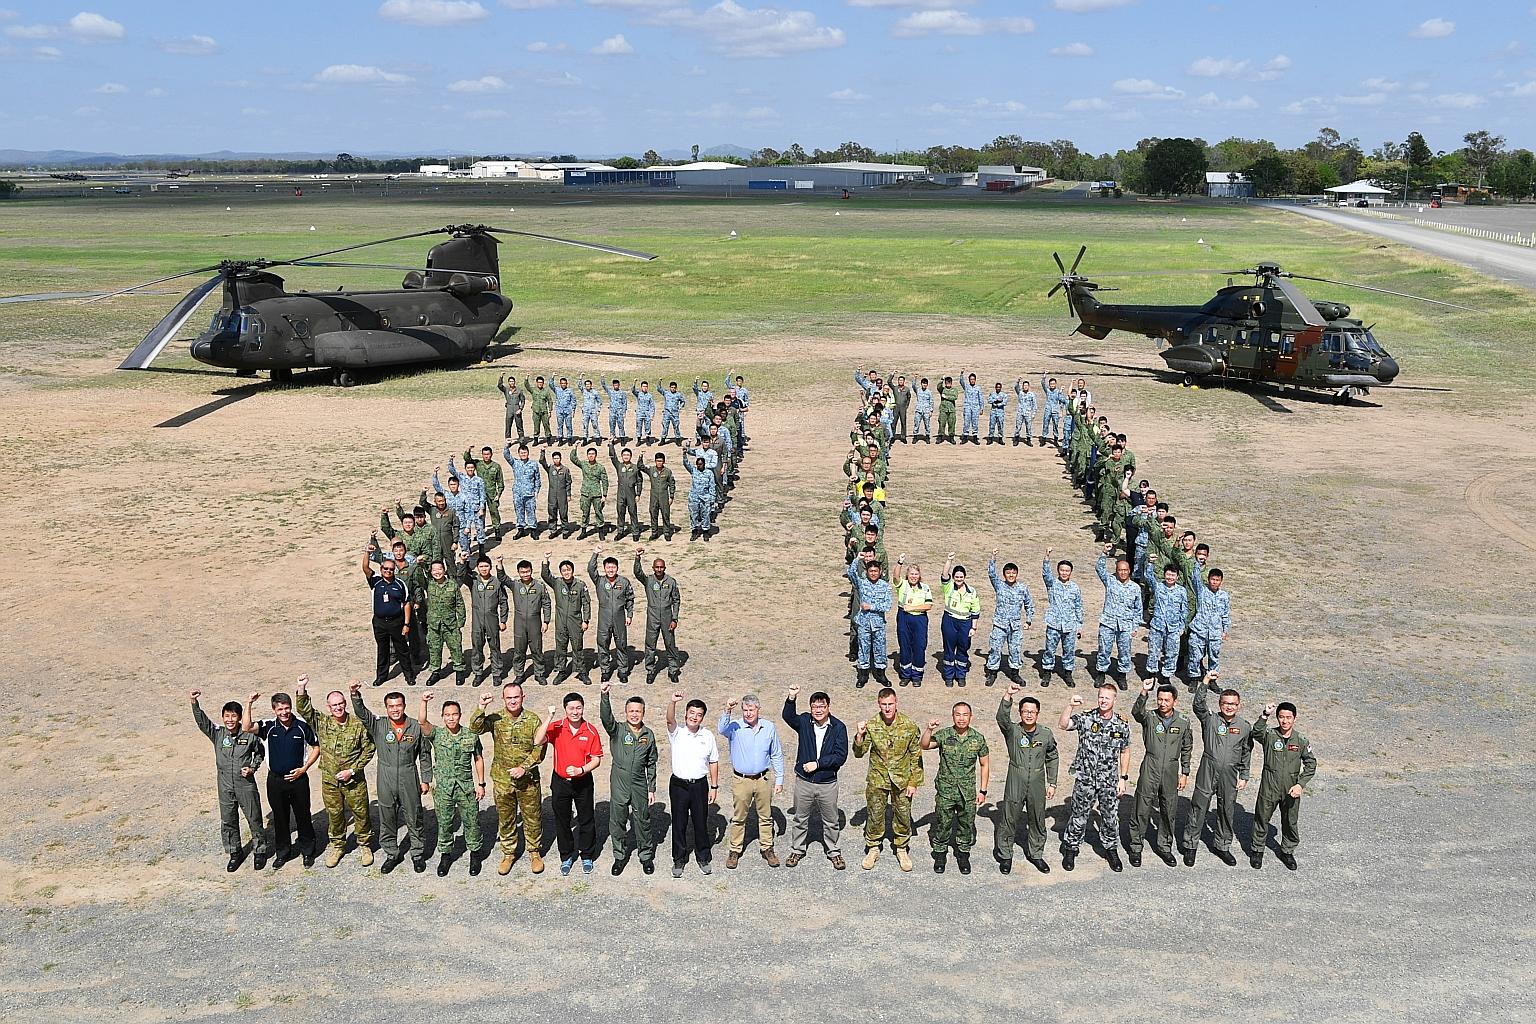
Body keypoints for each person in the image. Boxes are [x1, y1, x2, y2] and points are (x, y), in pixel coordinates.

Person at [350, 683, 431, 874]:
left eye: (398, 705)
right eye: (391, 706)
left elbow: (425, 754)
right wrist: (354, 694)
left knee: (414, 816)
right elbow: (362, 713)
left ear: (404, 706)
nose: (395, 709)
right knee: (387, 817)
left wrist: (425, 779)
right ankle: (391, 854)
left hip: (408, 774)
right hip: (385, 776)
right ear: (386, 708)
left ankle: (417, 854)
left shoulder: (415, 726)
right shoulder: (379, 725)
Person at [295, 675, 376, 868]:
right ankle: (338, 845)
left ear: (345, 704)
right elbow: (304, 709)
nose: (338, 708)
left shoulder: (358, 725)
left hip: (353, 781)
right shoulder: (322, 722)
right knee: (335, 814)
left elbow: (369, 749)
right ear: (328, 707)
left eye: (340, 704)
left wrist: (352, 770)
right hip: (330, 781)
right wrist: (301, 687)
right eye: (334, 705)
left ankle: (364, 845)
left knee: (361, 812)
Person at [469, 683, 546, 875]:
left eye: (516, 697)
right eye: (509, 697)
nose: (513, 701)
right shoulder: (497, 718)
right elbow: (475, 728)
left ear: (523, 697)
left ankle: (534, 852)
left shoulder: (533, 720)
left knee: (532, 817)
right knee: (506, 818)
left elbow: (540, 748)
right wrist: (481, 707)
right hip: (503, 780)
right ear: (503, 699)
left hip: (527, 780)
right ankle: (509, 853)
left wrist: (524, 767)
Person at [191, 690, 270, 872]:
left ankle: (260, 851)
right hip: (225, 784)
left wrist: (252, 767)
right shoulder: (219, 734)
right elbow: (203, 723)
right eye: (227, 716)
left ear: (240, 718)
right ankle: (235, 852)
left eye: (234, 716)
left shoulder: (249, 735)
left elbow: (260, 753)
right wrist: (194, 704)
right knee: (228, 820)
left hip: (245, 784)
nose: (230, 720)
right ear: (223, 717)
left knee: (254, 817)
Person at [1058, 684, 1132, 871]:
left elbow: (1125, 751)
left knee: (1109, 816)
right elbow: (1064, 724)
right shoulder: (1086, 718)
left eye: (1107, 698)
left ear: (1115, 700)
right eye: (1101, 697)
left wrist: (1123, 778)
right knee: (1079, 815)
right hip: (1086, 778)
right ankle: (1071, 847)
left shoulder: (1122, 724)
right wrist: (1070, 706)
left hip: (1109, 780)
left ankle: (1110, 848)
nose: (1103, 701)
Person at [244, 690, 319, 870]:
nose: (284, 712)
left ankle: (308, 851)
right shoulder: (269, 726)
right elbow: (246, 727)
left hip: (298, 779)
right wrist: (249, 703)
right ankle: (283, 852)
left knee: (303, 815)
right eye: (280, 709)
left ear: (291, 707)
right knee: (280, 817)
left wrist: (304, 768)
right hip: (276, 781)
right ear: (274, 710)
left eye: (287, 708)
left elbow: (316, 747)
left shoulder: (301, 726)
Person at [1182, 678, 1253, 866]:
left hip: (1230, 774)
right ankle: (1190, 846)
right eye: (1225, 703)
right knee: (1199, 806)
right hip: (1208, 768)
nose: (1229, 707)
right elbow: (1198, 704)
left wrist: (1244, 775)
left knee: (1227, 809)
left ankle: (1222, 846)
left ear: (1238, 705)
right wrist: (1205, 682)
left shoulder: (1245, 727)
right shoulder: (1211, 719)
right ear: (1220, 704)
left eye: (1233, 704)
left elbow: (1246, 752)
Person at [852, 687, 924, 871]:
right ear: (879, 704)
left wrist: (913, 782)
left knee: (902, 814)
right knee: (875, 815)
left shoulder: (909, 725)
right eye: (883, 704)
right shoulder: (872, 724)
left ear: (896, 703)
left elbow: (916, 755)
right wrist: (859, 735)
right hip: (878, 778)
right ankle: (873, 847)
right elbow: (859, 753)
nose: (887, 708)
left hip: (901, 779)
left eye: (890, 704)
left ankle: (901, 848)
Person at [535, 692, 605, 874]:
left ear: (583, 708)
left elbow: (597, 759)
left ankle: (587, 855)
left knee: (586, 819)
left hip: (583, 782)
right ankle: (566, 857)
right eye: (571, 708)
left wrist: (582, 769)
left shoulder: (590, 730)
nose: (575, 712)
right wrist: (549, 717)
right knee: (562, 820)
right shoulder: (557, 726)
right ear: (565, 709)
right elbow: (537, 740)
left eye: (578, 708)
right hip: (560, 782)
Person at [1126, 680, 1193, 868]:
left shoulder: (1183, 721)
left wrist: (1185, 772)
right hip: (1151, 765)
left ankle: (1164, 847)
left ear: (1175, 702)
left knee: (1169, 809)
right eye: (1160, 699)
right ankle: (1136, 847)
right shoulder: (1150, 717)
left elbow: (1187, 747)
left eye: (1167, 700)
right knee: (1142, 806)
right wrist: (1144, 692)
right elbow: (1136, 713)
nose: (1163, 703)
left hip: (1171, 769)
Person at [780, 685, 848, 869]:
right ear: (810, 708)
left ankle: (834, 852)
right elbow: (787, 716)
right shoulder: (804, 722)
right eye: (814, 707)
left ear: (828, 707)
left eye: (822, 706)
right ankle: (797, 850)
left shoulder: (838, 727)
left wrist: (818, 764)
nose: (818, 710)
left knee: (831, 821)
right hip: (804, 782)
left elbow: (841, 756)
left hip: (827, 783)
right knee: (800, 818)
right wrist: (791, 697)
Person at [418, 693, 486, 877]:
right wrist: (424, 701)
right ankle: (446, 856)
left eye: (454, 714)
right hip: (444, 789)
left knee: (472, 822)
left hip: (465, 787)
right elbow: (422, 722)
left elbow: (478, 759)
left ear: (460, 715)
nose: (451, 718)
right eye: (447, 715)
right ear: (442, 716)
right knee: (445, 823)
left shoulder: (471, 735)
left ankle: (475, 853)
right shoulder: (437, 734)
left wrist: (481, 784)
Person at [993, 687, 1058, 874]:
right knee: (1009, 817)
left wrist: (1052, 783)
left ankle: (1036, 854)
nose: (1029, 715)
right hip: (1016, 777)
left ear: (1037, 713)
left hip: (1037, 780)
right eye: (1025, 711)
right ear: (1020, 712)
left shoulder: (1045, 734)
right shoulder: (1013, 731)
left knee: (1037, 817)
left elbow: (1052, 757)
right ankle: (1005, 856)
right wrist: (1008, 695)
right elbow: (1001, 718)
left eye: (1032, 711)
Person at [921, 703, 990, 875]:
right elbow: (924, 745)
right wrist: (929, 730)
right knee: (943, 822)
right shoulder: (945, 735)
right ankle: (940, 853)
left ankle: (963, 853)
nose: (961, 718)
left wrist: (982, 791)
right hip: (946, 789)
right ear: (953, 716)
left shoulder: (978, 738)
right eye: (958, 715)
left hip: (967, 791)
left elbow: (985, 764)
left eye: (965, 715)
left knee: (966, 823)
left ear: (970, 716)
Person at [718, 695, 785, 869]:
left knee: (766, 817)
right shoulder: (735, 726)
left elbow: (776, 753)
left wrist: (780, 779)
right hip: (741, 780)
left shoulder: (769, 727)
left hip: (763, 779)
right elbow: (721, 729)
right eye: (745, 710)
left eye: (751, 710)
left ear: (758, 710)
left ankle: (767, 848)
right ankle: (734, 850)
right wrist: (727, 710)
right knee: (739, 817)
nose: (748, 713)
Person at [599, 683, 659, 875]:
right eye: (631, 711)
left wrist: (652, 788)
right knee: (617, 820)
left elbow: (651, 763)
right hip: (619, 781)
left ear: (643, 713)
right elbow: (606, 719)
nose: (635, 714)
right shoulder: (618, 730)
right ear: (626, 712)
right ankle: (619, 856)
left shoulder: (648, 735)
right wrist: (605, 697)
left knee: (642, 819)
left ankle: (646, 856)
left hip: (639, 783)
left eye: (638, 711)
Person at [1249, 700, 1317, 870]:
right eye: (1281, 717)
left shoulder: (1301, 740)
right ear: (1277, 718)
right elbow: (1256, 733)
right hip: (1269, 786)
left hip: (1290, 788)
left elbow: (1311, 763)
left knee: (1290, 821)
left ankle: (1287, 851)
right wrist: (1265, 715)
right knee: (1262, 818)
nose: (1285, 721)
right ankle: (1257, 850)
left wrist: (1301, 784)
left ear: (1294, 718)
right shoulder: (1270, 735)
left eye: (1288, 717)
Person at [666, 692, 721, 877]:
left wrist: (714, 786)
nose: (694, 717)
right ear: (686, 714)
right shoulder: (677, 732)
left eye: (698, 714)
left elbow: (713, 761)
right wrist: (673, 702)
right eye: (691, 713)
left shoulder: (708, 735)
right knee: (679, 823)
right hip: (679, 785)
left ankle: (703, 856)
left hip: (699, 785)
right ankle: (679, 859)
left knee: (700, 822)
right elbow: (669, 719)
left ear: (702, 717)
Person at [361, 544, 416, 687]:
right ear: (381, 569)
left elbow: (407, 604)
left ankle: (409, 675)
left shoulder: (400, 584)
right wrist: (367, 553)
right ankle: (381, 676)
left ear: (394, 570)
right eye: (385, 569)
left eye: (391, 569)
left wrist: (406, 624)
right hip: (379, 622)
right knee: (382, 650)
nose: (388, 571)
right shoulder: (376, 581)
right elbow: (365, 568)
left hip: (396, 622)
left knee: (402, 649)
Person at [496, 555, 552, 686]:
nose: (525, 574)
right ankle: (519, 674)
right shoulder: (515, 585)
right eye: (522, 572)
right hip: (520, 623)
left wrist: (546, 621)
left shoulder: (539, 586)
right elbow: (502, 578)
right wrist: (499, 562)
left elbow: (546, 603)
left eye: (527, 571)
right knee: (519, 651)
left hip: (535, 622)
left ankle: (539, 674)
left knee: (537, 650)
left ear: (531, 571)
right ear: (519, 573)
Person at [984, 553, 1035, 687]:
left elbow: (1029, 604)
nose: (1011, 575)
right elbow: (991, 573)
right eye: (1008, 573)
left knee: (1015, 650)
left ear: (1017, 574)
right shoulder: (999, 585)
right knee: (995, 648)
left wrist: (1028, 620)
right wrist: (993, 558)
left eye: (1013, 573)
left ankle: (1015, 673)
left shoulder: (1023, 588)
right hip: (1000, 624)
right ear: (1004, 574)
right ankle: (992, 672)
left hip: (1015, 626)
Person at [1094, 547, 1143, 687]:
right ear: (1116, 570)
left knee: (1124, 651)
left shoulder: (1135, 588)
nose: (1122, 572)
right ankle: (1101, 673)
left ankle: (1122, 675)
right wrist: (1104, 553)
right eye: (1120, 570)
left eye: (1125, 570)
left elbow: (1138, 609)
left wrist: (1135, 627)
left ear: (1129, 571)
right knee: (1104, 649)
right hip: (1108, 622)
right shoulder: (1110, 581)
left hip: (1126, 625)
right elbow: (1099, 568)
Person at [457, 553, 508, 685]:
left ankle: (496, 673)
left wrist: (503, 620)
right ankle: (478, 673)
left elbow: (503, 601)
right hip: (477, 621)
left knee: (495, 647)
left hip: (492, 620)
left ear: (490, 567)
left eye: (486, 566)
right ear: (477, 568)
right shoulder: (473, 581)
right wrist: (462, 561)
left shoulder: (497, 583)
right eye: (481, 566)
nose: (484, 569)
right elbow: (461, 576)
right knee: (477, 647)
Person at [541, 554, 593, 684]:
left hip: (575, 621)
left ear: (572, 571)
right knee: (560, 647)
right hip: (561, 621)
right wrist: (546, 560)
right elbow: (545, 575)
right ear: (561, 572)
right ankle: (561, 671)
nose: (566, 572)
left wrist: (586, 620)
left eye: (568, 570)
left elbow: (586, 603)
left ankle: (581, 672)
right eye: (564, 570)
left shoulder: (580, 585)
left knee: (577, 647)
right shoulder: (557, 583)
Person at [633, 549, 682, 685]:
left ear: (664, 568)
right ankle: (650, 670)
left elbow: (676, 600)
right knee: (650, 644)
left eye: (661, 567)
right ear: (653, 568)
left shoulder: (671, 582)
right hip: (653, 616)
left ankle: (673, 670)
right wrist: (637, 558)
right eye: (657, 567)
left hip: (667, 616)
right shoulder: (648, 580)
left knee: (670, 643)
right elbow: (637, 573)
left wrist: (674, 618)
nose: (659, 569)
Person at [587, 548, 635, 683]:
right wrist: (595, 553)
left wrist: (629, 614)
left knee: (621, 644)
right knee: (603, 644)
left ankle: (623, 671)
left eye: (613, 567)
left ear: (617, 568)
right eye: (608, 567)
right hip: (604, 618)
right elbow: (591, 569)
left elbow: (630, 598)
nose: (611, 570)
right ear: (604, 568)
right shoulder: (600, 581)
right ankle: (605, 671)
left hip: (620, 617)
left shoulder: (624, 582)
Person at [847, 554, 893, 688]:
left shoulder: (885, 586)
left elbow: (888, 605)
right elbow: (850, 573)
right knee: (863, 648)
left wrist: (871, 607)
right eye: (871, 571)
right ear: (867, 572)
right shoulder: (862, 583)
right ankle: (863, 674)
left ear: (880, 572)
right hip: (864, 623)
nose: (873, 573)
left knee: (880, 649)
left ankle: (880, 673)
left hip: (878, 623)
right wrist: (857, 559)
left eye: (875, 571)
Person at [1040, 549, 1084, 687]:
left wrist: (1079, 625)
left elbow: (1078, 606)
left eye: (1067, 570)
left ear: (1070, 572)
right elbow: (1046, 574)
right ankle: (1047, 672)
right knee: (1049, 649)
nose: (1064, 573)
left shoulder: (1075, 588)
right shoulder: (1052, 583)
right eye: (1062, 570)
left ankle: (1068, 673)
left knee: (1069, 651)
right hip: (1054, 624)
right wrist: (1047, 557)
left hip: (1070, 625)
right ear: (1058, 571)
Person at [422, 558, 467, 686]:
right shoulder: (429, 584)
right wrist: (420, 562)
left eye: (439, 569)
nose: (437, 572)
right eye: (434, 570)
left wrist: (460, 623)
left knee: (455, 647)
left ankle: (459, 670)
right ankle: (435, 672)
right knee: (434, 649)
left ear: (444, 570)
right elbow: (420, 573)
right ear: (431, 572)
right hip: (434, 624)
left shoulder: (452, 585)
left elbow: (460, 604)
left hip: (451, 624)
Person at [939, 554, 981, 687]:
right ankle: (949, 676)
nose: (958, 579)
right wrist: (949, 560)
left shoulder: (971, 591)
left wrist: (973, 628)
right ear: (953, 577)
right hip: (949, 621)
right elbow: (944, 574)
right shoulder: (948, 587)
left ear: (965, 577)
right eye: (956, 577)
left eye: (961, 577)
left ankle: (961, 675)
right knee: (949, 649)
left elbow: (975, 610)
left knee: (963, 648)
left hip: (965, 623)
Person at [1145, 564, 1190, 684]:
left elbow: (1184, 609)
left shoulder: (1181, 591)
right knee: (1154, 650)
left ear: (1177, 576)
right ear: (1164, 575)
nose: (1170, 577)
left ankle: (1166, 675)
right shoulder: (1158, 587)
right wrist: (1150, 564)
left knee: (1172, 652)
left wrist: (1182, 626)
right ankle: (1151, 673)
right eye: (1168, 574)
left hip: (1174, 628)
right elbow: (1148, 577)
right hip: (1157, 626)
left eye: (1173, 575)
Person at [893, 556, 934, 687]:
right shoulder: (903, 585)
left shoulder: (925, 588)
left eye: (916, 574)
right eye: (911, 574)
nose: (914, 576)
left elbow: (928, 606)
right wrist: (900, 563)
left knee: (919, 646)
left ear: (920, 575)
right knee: (905, 645)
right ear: (907, 575)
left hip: (919, 619)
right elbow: (895, 577)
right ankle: (905, 675)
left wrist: (913, 607)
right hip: (904, 618)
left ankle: (917, 675)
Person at [1186, 569, 1231, 681]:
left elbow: (1225, 614)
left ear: (1221, 581)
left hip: (1215, 632)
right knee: (1195, 656)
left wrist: (1225, 630)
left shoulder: (1224, 596)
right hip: (1199, 630)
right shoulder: (1202, 591)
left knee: (1214, 657)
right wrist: (1198, 563)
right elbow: (1195, 578)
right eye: (1212, 579)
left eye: (1217, 580)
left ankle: (1212, 680)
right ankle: (1194, 678)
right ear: (1208, 579)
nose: (1214, 582)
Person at [502, 443, 542, 540]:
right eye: (521, 453)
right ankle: (521, 529)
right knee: (519, 511)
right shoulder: (515, 463)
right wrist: (507, 446)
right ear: (518, 454)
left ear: (528, 453)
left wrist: (536, 490)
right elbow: (506, 455)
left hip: (529, 493)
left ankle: (533, 529)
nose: (523, 454)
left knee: (531, 511)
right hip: (518, 493)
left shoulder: (533, 464)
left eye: (525, 452)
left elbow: (537, 478)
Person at [571, 446, 609, 538]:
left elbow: (605, 481)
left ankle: (601, 531)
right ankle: (584, 531)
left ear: (596, 455)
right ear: (587, 455)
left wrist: (604, 495)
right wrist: (575, 447)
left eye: (593, 454)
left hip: (596, 494)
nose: (591, 456)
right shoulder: (584, 464)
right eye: (589, 454)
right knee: (585, 512)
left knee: (598, 512)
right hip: (585, 493)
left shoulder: (600, 467)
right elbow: (573, 459)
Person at [469, 446, 505, 540]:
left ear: (491, 455)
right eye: (484, 454)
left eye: (488, 454)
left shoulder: (496, 466)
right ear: (482, 455)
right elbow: (467, 459)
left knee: (494, 512)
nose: (486, 456)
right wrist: (468, 450)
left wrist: (499, 494)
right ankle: (481, 532)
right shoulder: (478, 464)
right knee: (481, 513)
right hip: (480, 493)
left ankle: (497, 530)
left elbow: (500, 482)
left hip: (492, 493)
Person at [609, 442, 643, 541]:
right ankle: (620, 531)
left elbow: (639, 481)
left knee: (633, 512)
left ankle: (635, 532)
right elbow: (613, 457)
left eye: (628, 455)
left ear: (631, 456)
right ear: (622, 456)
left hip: (631, 493)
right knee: (620, 512)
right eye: (624, 455)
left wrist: (638, 494)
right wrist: (611, 445)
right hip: (621, 493)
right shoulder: (619, 466)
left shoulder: (635, 468)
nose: (626, 456)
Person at [640, 452, 676, 540]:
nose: (659, 463)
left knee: (665, 514)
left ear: (664, 461)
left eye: (661, 461)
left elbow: (672, 484)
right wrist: (640, 457)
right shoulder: (651, 470)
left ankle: (667, 532)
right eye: (657, 461)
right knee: (653, 514)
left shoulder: (667, 471)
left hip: (664, 496)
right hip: (654, 496)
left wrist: (671, 496)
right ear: (655, 461)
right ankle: (654, 532)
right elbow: (640, 467)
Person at [539, 449, 573, 537]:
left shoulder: (565, 470)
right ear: (552, 459)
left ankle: (565, 531)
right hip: (552, 494)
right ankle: (553, 530)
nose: (556, 460)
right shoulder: (550, 468)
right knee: (552, 512)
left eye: (557, 458)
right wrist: (542, 451)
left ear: (560, 459)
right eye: (554, 458)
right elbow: (542, 461)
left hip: (562, 494)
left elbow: (568, 482)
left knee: (563, 513)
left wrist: (568, 494)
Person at [684, 452, 717, 539]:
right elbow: (686, 464)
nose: (699, 466)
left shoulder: (709, 473)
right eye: (698, 464)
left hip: (705, 498)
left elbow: (712, 486)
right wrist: (684, 454)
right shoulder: (694, 471)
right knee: (693, 515)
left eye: (701, 464)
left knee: (705, 515)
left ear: (704, 464)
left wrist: (712, 499)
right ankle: (694, 531)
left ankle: (705, 531)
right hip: (694, 498)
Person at [497, 375, 527, 445]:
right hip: (509, 408)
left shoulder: (519, 390)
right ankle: (508, 441)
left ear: (515, 382)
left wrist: (520, 409)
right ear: (508, 383)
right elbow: (499, 386)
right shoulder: (506, 390)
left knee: (519, 425)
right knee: (508, 426)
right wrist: (501, 377)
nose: (512, 383)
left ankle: (521, 439)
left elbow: (523, 400)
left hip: (517, 408)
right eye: (510, 381)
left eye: (513, 381)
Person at [524, 374, 553, 444]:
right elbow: (527, 386)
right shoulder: (533, 390)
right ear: (536, 383)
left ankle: (548, 438)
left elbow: (550, 401)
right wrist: (526, 378)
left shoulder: (546, 391)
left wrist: (550, 410)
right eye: (539, 382)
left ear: (543, 383)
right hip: (536, 411)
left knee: (546, 425)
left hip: (544, 411)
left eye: (541, 382)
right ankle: (536, 439)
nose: (540, 384)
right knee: (536, 425)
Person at [1040, 374, 1066, 447]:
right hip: (1048, 410)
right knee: (1045, 424)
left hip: (1055, 411)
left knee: (1055, 425)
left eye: (1053, 384)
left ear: (1056, 384)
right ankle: (1044, 439)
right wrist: (1044, 376)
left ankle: (1055, 439)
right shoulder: (1047, 390)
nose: (1052, 385)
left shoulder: (1058, 391)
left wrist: (1061, 410)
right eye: (1051, 384)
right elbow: (1042, 383)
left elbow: (1062, 401)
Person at [959, 368, 983, 443]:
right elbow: (961, 382)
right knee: (966, 422)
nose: (972, 380)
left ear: (975, 380)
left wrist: (981, 408)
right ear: (969, 380)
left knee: (975, 422)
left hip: (975, 408)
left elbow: (980, 398)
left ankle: (975, 436)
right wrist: (962, 374)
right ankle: (965, 436)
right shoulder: (966, 386)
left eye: (973, 379)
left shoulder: (978, 388)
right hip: (968, 407)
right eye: (971, 379)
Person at [659, 380, 686, 444]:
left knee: (676, 427)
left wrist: (680, 407)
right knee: (665, 426)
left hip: (675, 414)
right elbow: (659, 388)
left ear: (676, 388)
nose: (673, 389)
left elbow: (683, 401)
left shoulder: (678, 395)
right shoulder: (666, 393)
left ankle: (678, 439)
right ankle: (663, 439)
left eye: (674, 387)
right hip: (667, 413)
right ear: (669, 387)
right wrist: (659, 382)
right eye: (672, 387)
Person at [1012, 378, 1037, 446]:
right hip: (1020, 413)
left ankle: (1028, 440)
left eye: (1027, 385)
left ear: (1029, 386)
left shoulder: (1032, 394)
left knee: (1028, 427)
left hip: (1028, 413)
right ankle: (1016, 439)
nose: (1025, 387)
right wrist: (1018, 381)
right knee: (1018, 427)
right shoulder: (1020, 393)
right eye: (1024, 385)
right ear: (1022, 386)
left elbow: (1034, 405)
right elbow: (1015, 387)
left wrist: (1033, 413)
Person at [935, 374, 958, 443]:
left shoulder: (954, 390)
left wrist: (946, 397)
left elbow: (955, 397)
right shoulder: (943, 389)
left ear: (951, 383)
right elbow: (938, 387)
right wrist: (942, 379)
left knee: (952, 424)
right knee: (942, 423)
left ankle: (951, 437)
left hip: (951, 410)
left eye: (949, 382)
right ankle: (940, 436)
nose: (948, 384)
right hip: (943, 409)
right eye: (946, 382)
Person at [579, 376, 603, 442]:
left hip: (593, 411)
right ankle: (585, 438)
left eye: (589, 384)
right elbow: (579, 385)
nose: (587, 386)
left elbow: (599, 401)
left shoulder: (595, 392)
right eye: (586, 384)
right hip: (585, 411)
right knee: (585, 425)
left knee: (595, 424)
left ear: (591, 385)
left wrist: (598, 410)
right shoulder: (583, 391)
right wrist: (580, 378)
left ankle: (597, 438)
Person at [911, 377, 934, 443]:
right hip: (918, 410)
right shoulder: (918, 390)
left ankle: (927, 436)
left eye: (926, 383)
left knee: (927, 424)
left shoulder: (929, 392)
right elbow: (913, 386)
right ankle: (915, 436)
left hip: (926, 411)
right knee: (916, 424)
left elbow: (931, 401)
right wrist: (915, 378)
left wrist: (931, 411)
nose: (924, 385)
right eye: (923, 383)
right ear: (921, 384)